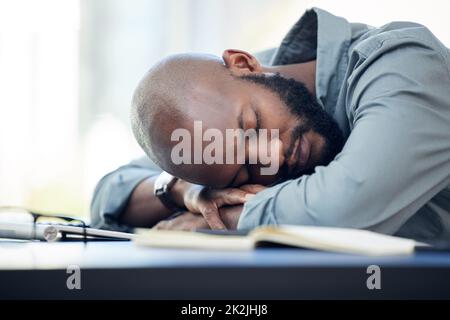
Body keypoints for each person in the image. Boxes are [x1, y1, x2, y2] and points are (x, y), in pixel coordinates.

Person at [91, 8, 450, 242]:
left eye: (254, 127)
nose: (273, 155)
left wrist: (217, 223)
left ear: (245, 63)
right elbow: (110, 192)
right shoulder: (229, 107)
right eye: (246, 168)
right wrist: (184, 192)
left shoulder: (403, 62)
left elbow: (344, 206)